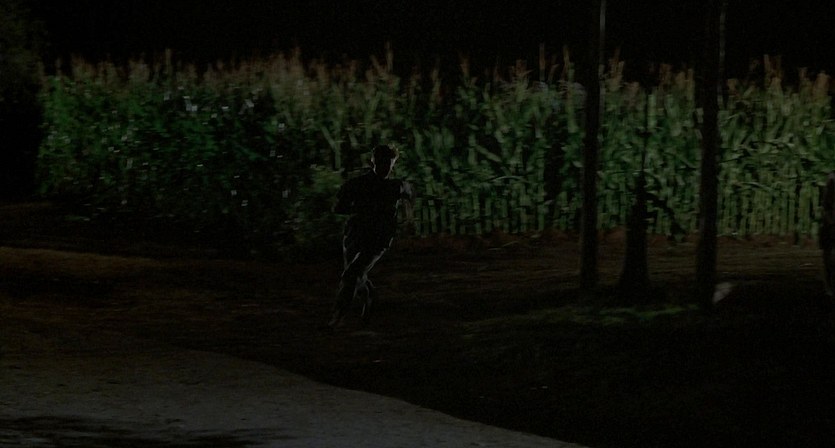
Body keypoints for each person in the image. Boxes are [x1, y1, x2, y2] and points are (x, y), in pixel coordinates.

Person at [327, 144, 414, 328]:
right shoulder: (358, 184)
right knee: (356, 275)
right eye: (382, 162)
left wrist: (407, 219)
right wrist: (361, 208)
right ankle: (370, 296)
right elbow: (338, 207)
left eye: (389, 163)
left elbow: (409, 196)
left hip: (378, 238)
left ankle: (337, 318)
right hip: (356, 235)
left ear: (393, 164)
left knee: (352, 274)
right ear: (373, 162)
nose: (385, 167)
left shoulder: (396, 186)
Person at [821, 172, 835, 297]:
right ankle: (829, 286)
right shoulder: (832, 179)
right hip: (830, 225)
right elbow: (826, 206)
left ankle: (829, 286)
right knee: (829, 258)